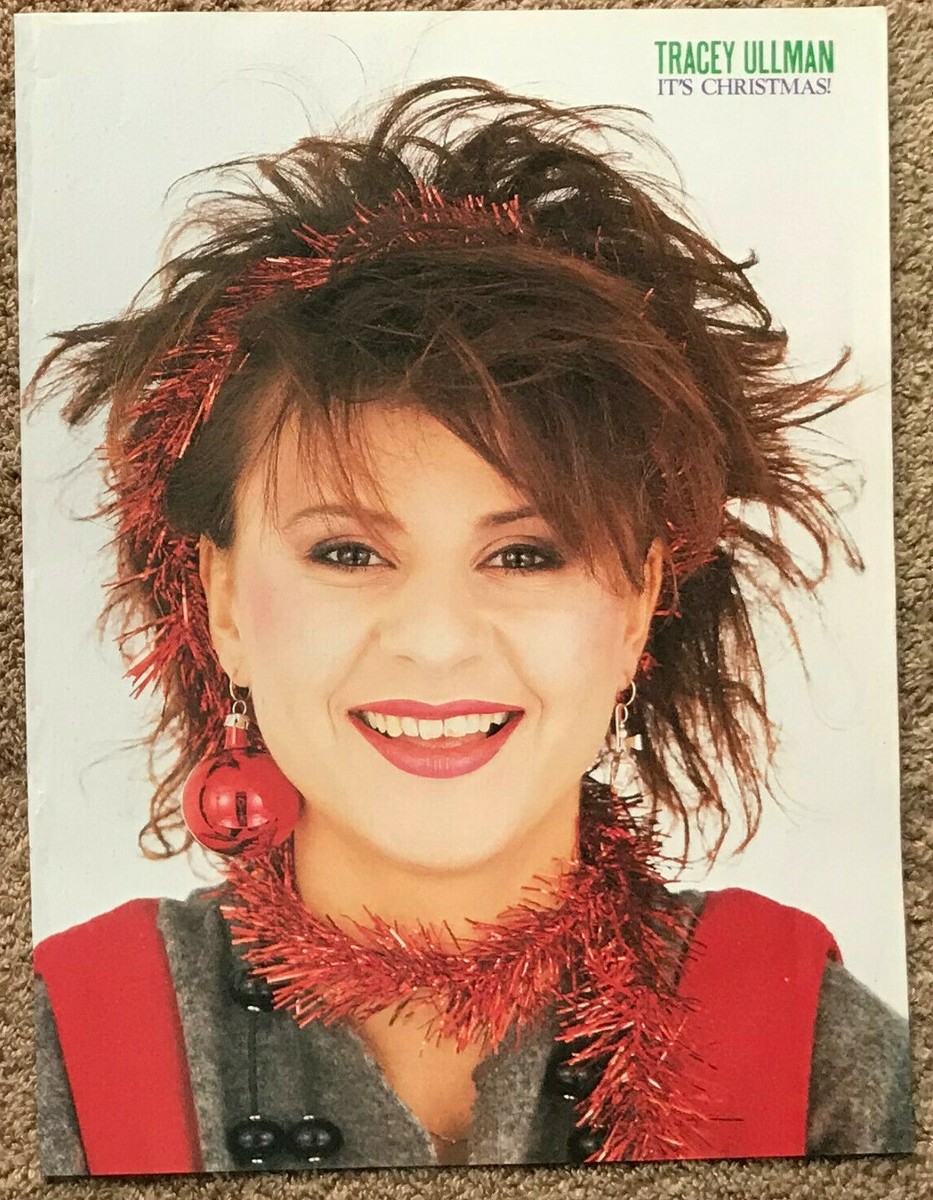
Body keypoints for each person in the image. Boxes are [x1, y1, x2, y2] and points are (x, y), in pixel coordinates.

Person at [27, 77, 912, 1176]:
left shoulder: (818, 1053)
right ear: (221, 602)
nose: (437, 640)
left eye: (525, 554)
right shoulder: (65, 1048)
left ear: (641, 601)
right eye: (347, 552)